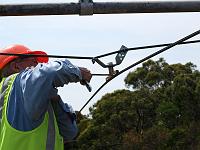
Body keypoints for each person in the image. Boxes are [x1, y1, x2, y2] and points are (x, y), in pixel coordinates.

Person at [0, 44, 92, 150]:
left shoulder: (15, 96)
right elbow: (50, 73)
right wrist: (78, 71)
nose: (38, 65)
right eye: (34, 62)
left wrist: (56, 101)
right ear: (16, 66)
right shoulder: (20, 82)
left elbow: (69, 132)